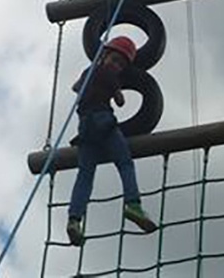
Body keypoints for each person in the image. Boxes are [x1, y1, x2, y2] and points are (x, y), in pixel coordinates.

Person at [66, 36, 158, 246]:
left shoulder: (88, 72)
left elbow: (75, 87)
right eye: (115, 60)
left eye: (120, 64)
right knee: (124, 162)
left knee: (85, 174)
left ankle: (74, 219)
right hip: (102, 120)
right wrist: (117, 92)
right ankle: (132, 204)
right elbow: (120, 99)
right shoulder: (108, 74)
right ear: (105, 56)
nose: (116, 66)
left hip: (84, 128)